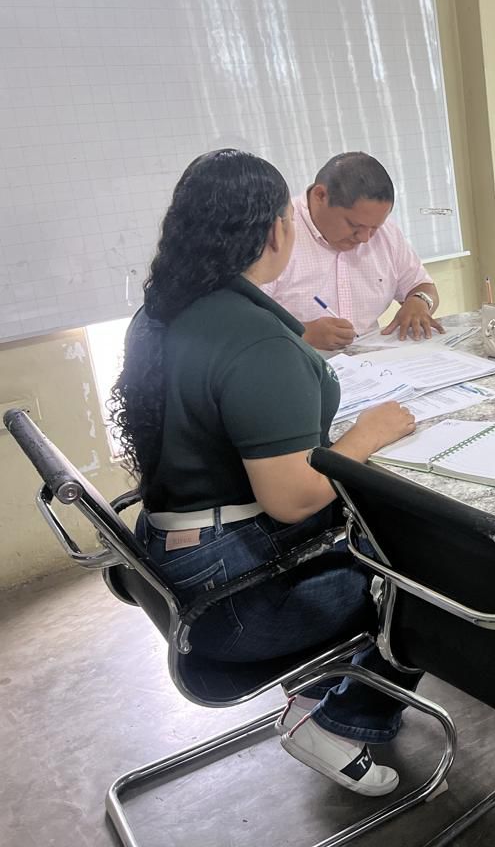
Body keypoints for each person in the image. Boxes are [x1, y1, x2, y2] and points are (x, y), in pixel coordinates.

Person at [111, 149, 422, 797]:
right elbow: (293, 498)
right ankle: (341, 718)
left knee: (377, 528)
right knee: (427, 575)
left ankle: (318, 689)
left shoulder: (160, 313)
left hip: (171, 555)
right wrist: (367, 435)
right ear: (278, 229)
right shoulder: (257, 341)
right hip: (233, 601)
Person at [263, 151, 442, 351]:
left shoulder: (386, 233)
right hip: (299, 360)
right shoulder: (278, 231)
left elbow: (423, 286)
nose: (365, 238)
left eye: (374, 227)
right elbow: (243, 321)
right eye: (354, 225)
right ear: (320, 196)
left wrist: (420, 302)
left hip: (371, 360)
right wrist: (303, 334)